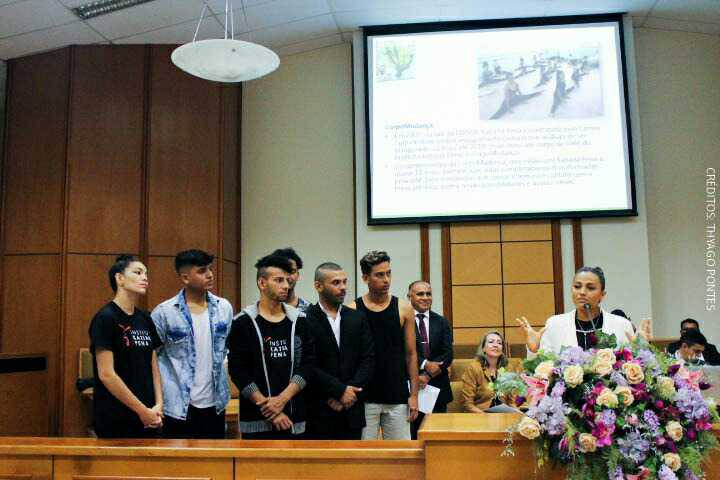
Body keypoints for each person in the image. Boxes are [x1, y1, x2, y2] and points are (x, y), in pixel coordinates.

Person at [227, 254, 314, 439]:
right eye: (279, 280)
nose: (286, 285)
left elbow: (307, 365)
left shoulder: (300, 321)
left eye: (287, 280)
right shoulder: (242, 323)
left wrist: (282, 400)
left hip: (293, 416)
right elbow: (238, 371)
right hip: (257, 417)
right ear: (262, 283)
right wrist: (271, 409)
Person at [151, 249, 234, 439]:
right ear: (185, 278)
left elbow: (225, 348)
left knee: (213, 457)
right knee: (178, 458)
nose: (210, 274)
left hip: (215, 402)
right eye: (202, 270)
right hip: (177, 404)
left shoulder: (224, 308)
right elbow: (152, 357)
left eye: (210, 269)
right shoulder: (164, 312)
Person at [88, 255, 163, 438]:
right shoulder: (105, 318)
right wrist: (141, 411)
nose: (144, 277)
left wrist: (159, 404)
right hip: (116, 415)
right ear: (120, 278)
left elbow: (153, 364)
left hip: (150, 413)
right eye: (138, 272)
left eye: (146, 273)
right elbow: (106, 374)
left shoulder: (145, 318)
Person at [349, 250, 419, 440]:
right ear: (365, 278)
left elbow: (411, 354)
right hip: (365, 397)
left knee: (400, 453)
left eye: (388, 273)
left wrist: (414, 395)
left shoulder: (404, 308)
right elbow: (350, 358)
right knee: (364, 454)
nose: (386, 279)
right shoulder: (352, 309)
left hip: (397, 395)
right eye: (379, 275)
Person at [305, 262, 375, 440]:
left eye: (344, 282)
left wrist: (349, 394)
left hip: (352, 408)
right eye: (336, 283)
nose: (343, 287)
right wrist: (338, 391)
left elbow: (368, 359)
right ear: (318, 286)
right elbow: (306, 364)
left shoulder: (357, 317)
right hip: (319, 408)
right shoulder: (305, 319)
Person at [518, 266, 637, 354]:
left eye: (590, 288)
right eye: (577, 286)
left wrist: (641, 348)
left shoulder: (622, 325)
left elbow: (633, 365)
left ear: (602, 295)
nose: (582, 292)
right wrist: (534, 350)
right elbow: (542, 370)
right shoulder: (554, 324)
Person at [407, 280, 453, 440]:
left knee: (438, 438)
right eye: (420, 294)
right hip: (411, 388)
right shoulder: (403, 321)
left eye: (428, 294)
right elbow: (402, 352)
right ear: (409, 297)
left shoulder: (441, 321)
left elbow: (448, 354)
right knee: (414, 436)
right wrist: (424, 364)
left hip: (438, 387)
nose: (425, 297)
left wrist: (427, 375)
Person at [461, 331, 514, 412]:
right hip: (480, 414)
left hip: (504, 415)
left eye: (499, 343)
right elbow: (467, 404)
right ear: (483, 348)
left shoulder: (508, 368)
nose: (495, 345)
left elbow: (512, 401)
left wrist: (518, 414)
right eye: (491, 342)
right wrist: (485, 417)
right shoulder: (474, 368)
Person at [272, 247, 311, 312]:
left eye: (292, 271)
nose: (287, 276)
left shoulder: (309, 310)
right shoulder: (261, 309)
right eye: (282, 271)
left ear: (298, 275)